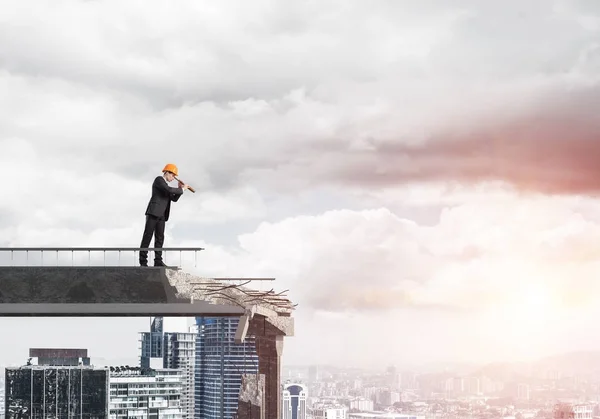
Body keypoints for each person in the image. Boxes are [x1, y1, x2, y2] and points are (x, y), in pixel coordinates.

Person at [139, 163, 189, 267]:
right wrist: (182, 189)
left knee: (160, 238)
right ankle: (143, 262)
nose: (173, 178)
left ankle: (158, 261)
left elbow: (174, 198)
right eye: (173, 175)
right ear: (167, 172)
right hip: (153, 212)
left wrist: (180, 190)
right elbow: (169, 190)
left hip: (162, 215)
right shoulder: (159, 180)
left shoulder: (166, 186)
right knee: (147, 236)